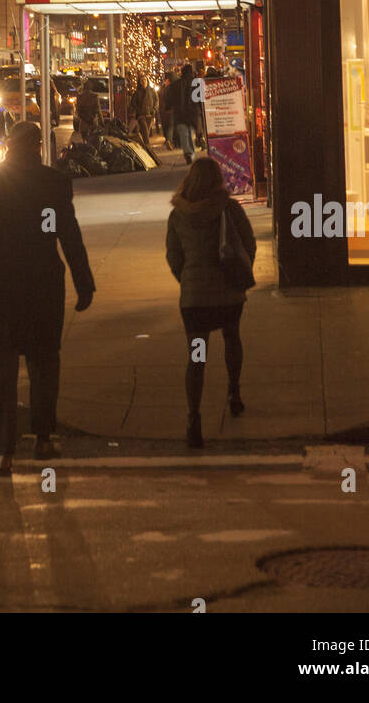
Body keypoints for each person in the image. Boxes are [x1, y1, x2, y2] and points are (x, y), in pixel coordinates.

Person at [0, 121, 95, 476]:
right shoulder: (53, 183)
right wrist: (84, 283)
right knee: (44, 364)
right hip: (41, 284)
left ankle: (4, 451)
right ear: (37, 146)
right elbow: (68, 235)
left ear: (7, 147)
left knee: (0, 372)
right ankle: (44, 438)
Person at [165, 156, 257, 449]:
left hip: (195, 302)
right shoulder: (228, 209)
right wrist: (239, 273)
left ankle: (194, 417)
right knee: (232, 338)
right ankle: (234, 392)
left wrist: (188, 280)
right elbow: (249, 243)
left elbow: (173, 256)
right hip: (228, 295)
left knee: (197, 356)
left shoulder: (178, 216)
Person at [171, 63, 207, 163]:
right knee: (190, 133)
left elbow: (170, 98)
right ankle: (190, 153)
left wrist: (170, 108)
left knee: (184, 134)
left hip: (180, 114)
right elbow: (201, 98)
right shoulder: (196, 83)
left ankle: (188, 152)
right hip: (192, 113)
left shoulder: (176, 84)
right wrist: (201, 110)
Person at [128, 72, 161, 164]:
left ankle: (144, 147)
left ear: (147, 81)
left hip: (150, 114)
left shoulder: (151, 91)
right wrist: (138, 110)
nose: (143, 82)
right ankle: (147, 145)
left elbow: (156, 100)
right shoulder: (137, 92)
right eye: (141, 80)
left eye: (145, 80)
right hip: (141, 115)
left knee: (146, 129)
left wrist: (154, 109)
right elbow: (133, 103)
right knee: (144, 128)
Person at [159, 72, 177, 149]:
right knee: (171, 125)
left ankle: (169, 140)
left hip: (166, 110)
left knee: (169, 125)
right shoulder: (170, 88)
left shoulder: (164, 88)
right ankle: (169, 140)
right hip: (170, 110)